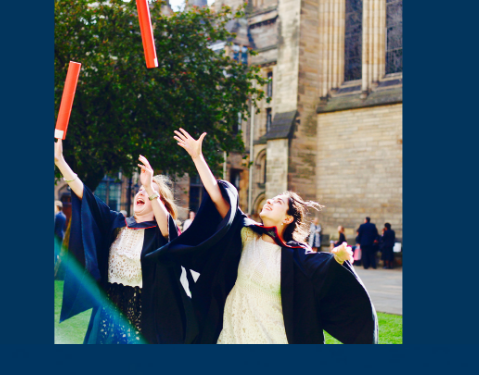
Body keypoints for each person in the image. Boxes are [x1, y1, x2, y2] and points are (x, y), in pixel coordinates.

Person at [155, 128, 376, 344]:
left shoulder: (296, 256)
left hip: (271, 337)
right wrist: (197, 157)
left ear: (288, 218)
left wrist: (339, 258)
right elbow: (216, 195)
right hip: (232, 335)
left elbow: (326, 271)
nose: (269, 200)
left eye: (278, 202)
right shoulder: (246, 235)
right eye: (271, 198)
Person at [53, 136, 192, 344]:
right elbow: (86, 196)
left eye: (148, 192)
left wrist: (151, 188)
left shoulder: (159, 233)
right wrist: (60, 162)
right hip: (108, 312)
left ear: (158, 203)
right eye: (140, 190)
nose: (141, 193)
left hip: (143, 317)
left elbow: (168, 230)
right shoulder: (117, 223)